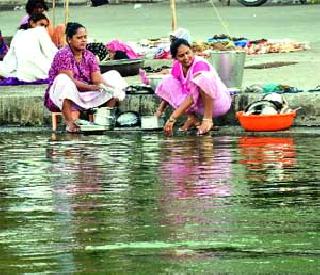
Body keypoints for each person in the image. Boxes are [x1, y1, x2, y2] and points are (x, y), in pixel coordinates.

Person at [44, 22, 128, 133]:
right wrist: (93, 88)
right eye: (79, 38)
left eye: (85, 37)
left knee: (113, 76)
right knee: (63, 80)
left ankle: (102, 120)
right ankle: (70, 123)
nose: (83, 40)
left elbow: (97, 80)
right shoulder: (63, 55)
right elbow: (72, 82)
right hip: (65, 94)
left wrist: (111, 88)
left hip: (86, 93)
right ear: (69, 39)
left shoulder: (89, 55)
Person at [155, 38, 232, 136]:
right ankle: (192, 118)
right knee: (167, 80)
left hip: (216, 103)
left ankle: (208, 120)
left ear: (192, 50)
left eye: (188, 53)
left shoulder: (200, 64)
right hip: (198, 106)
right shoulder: (177, 66)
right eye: (181, 56)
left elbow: (192, 97)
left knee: (203, 78)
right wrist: (160, 109)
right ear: (175, 58)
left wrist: (172, 118)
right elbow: (170, 89)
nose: (186, 57)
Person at [0, 13, 57, 82]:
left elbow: (10, 56)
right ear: (32, 22)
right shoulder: (40, 31)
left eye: (45, 26)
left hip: (20, 73)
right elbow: (52, 52)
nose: (44, 28)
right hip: (38, 72)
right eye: (41, 24)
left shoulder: (18, 33)